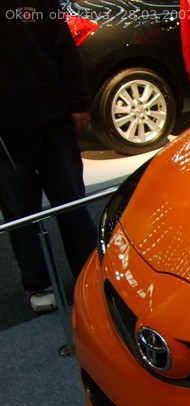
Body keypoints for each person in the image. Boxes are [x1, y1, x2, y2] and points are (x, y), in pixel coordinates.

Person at [0, 1, 97, 313]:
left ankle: (88, 270)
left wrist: (78, 103)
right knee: (19, 212)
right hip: (4, 137)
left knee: (72, 201)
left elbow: (64, 49)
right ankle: (38, 282)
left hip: (53, 119)